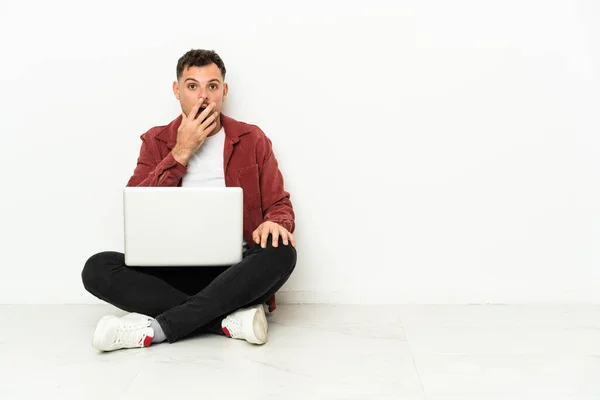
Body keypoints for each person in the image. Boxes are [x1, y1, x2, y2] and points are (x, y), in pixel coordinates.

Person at [81, 49, 297, 352]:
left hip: (234, 271)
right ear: (177, 90)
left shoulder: (252, 138)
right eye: (192, 86)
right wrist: (181, 151)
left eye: (212, 85)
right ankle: (227, 320)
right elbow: (137, 203)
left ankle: (155, 330)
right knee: (97, 268)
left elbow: (279, 203)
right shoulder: (156, 141)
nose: (203, 96)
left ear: (224, 91)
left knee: (282, 252)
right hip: (169, 272)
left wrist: (276, 222)